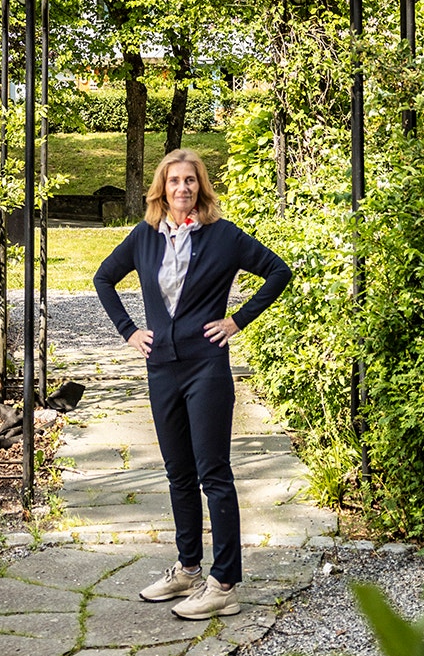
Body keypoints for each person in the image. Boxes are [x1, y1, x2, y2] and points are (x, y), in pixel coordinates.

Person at [92, 148, 293, 618]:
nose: (182, 188)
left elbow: (278, 271)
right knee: (177, 472)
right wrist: (129, 331)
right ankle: (187, 570)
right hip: (161, 367)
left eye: (190, 180)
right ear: (161, 189)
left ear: (201, 186)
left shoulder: (223, 236)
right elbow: (103, 278)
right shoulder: (144, 236)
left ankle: (224, 584)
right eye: (174, 180)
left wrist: (237, 320)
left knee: (213, 473)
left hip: (207, 367)